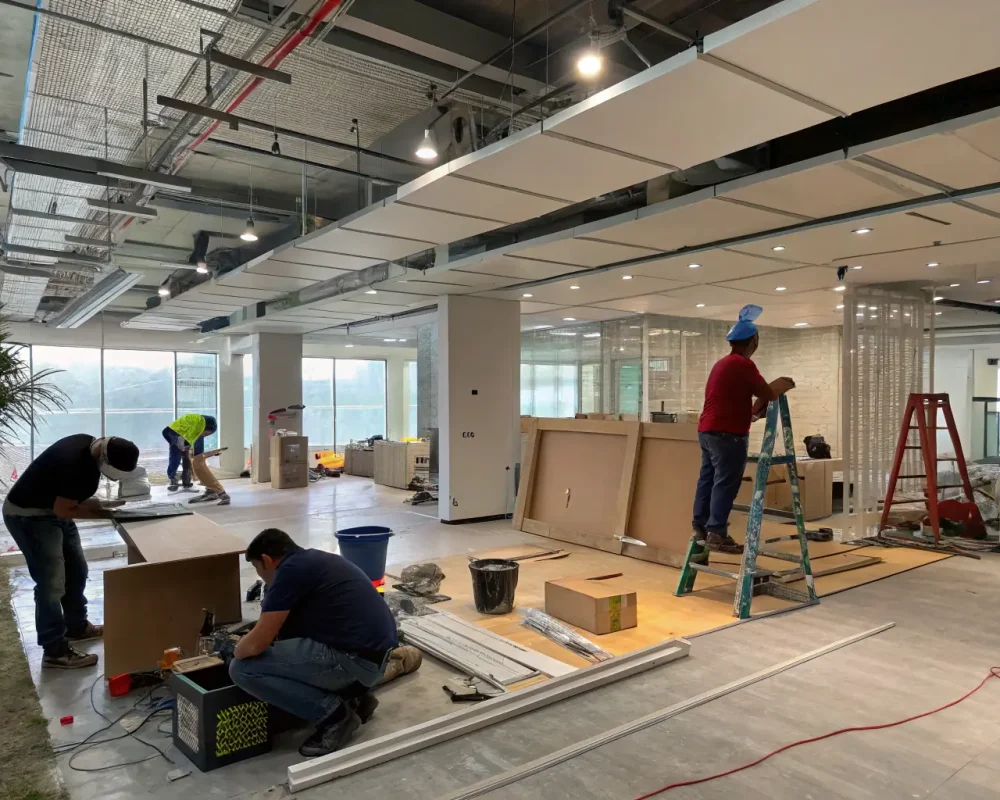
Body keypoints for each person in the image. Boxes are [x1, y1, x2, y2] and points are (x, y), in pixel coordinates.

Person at [230, 528, 398, 757]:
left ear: (267, 560)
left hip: (354, 661)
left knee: (243, 668)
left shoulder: (289, 571)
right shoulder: (314, 560)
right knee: (287, 640)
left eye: (257, 568)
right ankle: (356, 698)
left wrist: (234, 649)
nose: (260, 576)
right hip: (373, 659)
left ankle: (336, 716)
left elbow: (254, 646)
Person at [3, 434, 140, 669]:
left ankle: (76, 627)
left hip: (52, 511)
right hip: (28, 516)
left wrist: (101, 506)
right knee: (51, 583)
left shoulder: (88, 444)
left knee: (77, 570)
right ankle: (54, 651)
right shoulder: (75, 466)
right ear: (105, 459)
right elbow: (66, 509)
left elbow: (69, 501)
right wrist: (108, 514)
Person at [692, 305, 795, 554]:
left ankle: (700, 527)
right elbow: (768, 394)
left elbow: (731, 396)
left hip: (708, 431)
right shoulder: (743, 365)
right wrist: (782, 386)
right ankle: (716, 531)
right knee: (726, 482)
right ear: (753, 341)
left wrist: (750, 411)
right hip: (728, 434)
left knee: (708, 479)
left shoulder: (722, 364)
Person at [162, 413, 229, 505]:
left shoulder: (184, 429)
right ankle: (213, 491)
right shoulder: (194, 428)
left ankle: (217, 492)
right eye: (206, 434)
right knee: (195, 459)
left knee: (196, 460)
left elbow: (180, 451)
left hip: (180, 429)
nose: (204, 436)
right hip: (200, 424)